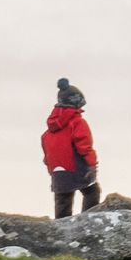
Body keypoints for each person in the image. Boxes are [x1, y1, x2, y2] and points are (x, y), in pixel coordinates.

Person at [41, 78, 101, 217]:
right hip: (77, 167)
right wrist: (92, 165)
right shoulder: (77, 122)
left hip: (58, 171)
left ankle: (61, 232)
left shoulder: (50, 130)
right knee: (92, 191)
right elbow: (84, 147)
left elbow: (46, 152)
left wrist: (52, 169)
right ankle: (87, 222)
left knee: (63, 202)